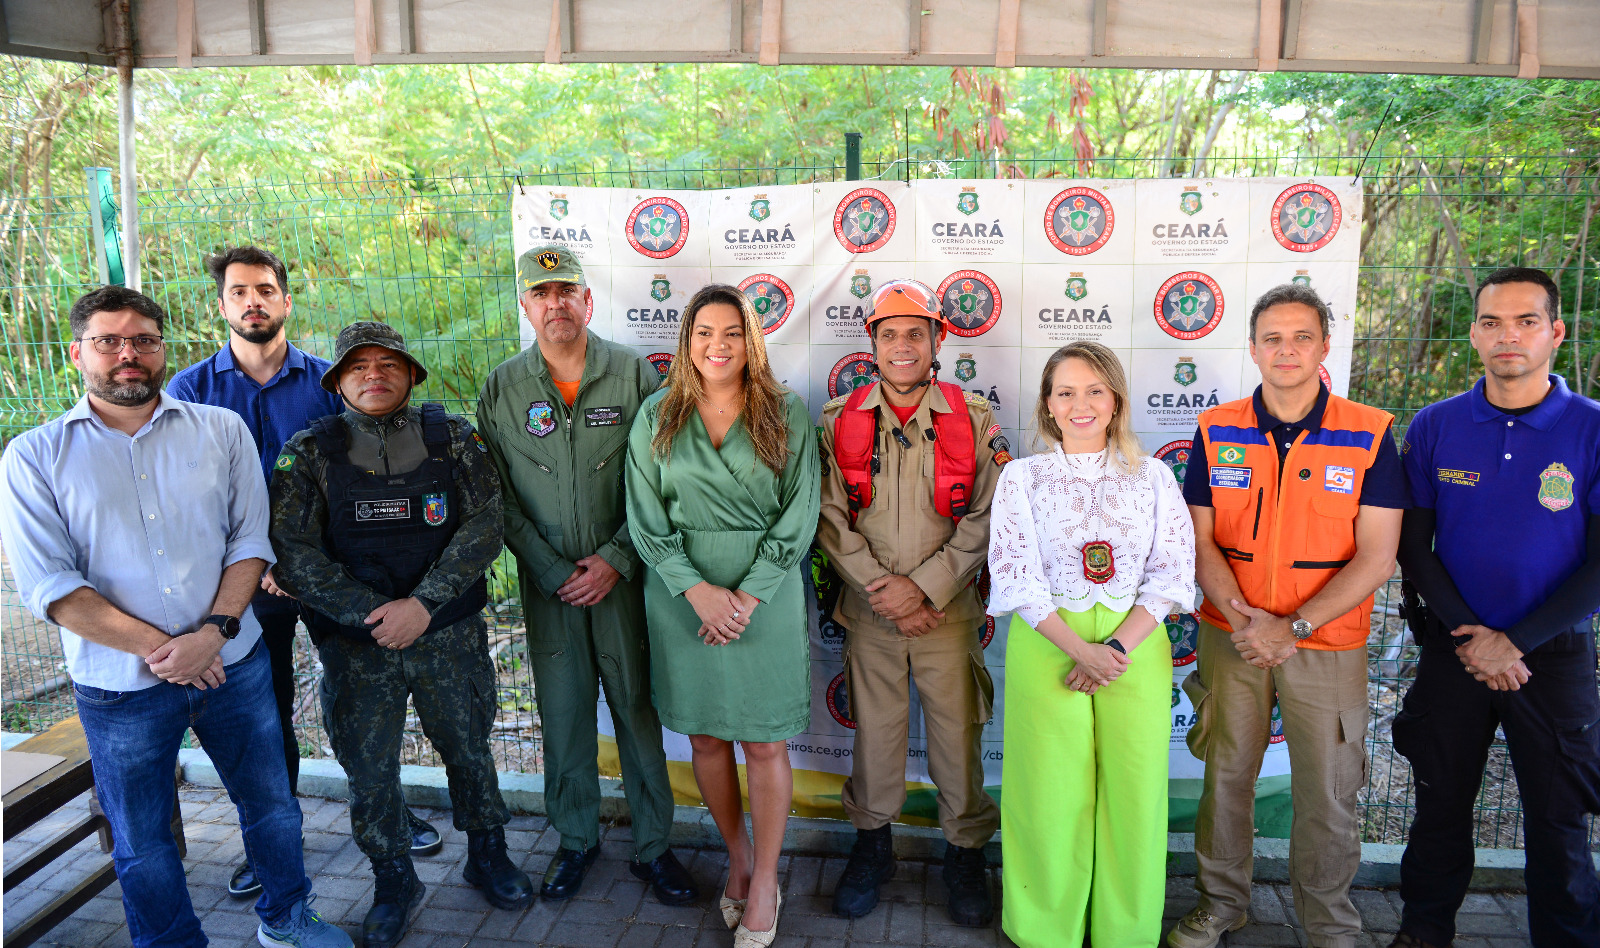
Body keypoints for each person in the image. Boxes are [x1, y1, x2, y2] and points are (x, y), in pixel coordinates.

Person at [0, 286, 351, 948]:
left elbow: (251, 542)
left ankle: (287, 917)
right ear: (78, 353)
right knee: (141, 839)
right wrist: (174, 650)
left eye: (144, 340)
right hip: (120, 686)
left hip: (234, 665)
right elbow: (51, 585)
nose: (128, 354)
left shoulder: (220, 432)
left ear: (165, 350)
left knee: (272, 808)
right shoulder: (34, 458)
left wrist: (212, 634)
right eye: (109, 341)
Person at [168, 245, 441, 900]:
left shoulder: (330, 383)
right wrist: (258, 562)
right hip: (239, 583)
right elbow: (190, 497)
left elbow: (354, 486)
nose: (253, 301)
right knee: (264, 712)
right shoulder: (190, 392)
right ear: (222, 306)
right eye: (239, 292)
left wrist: (300, 563)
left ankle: (388, 810)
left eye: (265, 290)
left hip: (329, 573)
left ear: (286, 301)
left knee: (361, 700)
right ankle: (272, 838)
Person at [268, 322, 532, 948]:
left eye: (389, 363)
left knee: (469, 748)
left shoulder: (455, 440)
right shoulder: (307, 452)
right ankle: (393, 878)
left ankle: (487, 853)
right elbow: (294, 551)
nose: (375, 374)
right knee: (370, 767)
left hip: (448, 635)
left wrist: (423, 604)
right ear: (337, 383)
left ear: (412, 374)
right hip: (359, 648)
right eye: (359, 367)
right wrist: (374, 614)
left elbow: (485, 526)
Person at [1169, 283, 1408, 948]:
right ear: (1252, 348)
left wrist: (1291, 626)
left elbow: (1377, 555)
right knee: (1225, 779)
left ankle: (1329, 924)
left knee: (1330, 794)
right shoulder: (1217, 429)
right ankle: (1221, 905)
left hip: (1327, 641)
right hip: (1233, 638)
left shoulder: (1370, 432)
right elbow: (1201, 539)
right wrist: (1249, 623)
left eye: (1302, 337)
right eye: (1272, 337)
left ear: (1324, 346)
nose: (1286, 350)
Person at [475, 245, 694, 905]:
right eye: (542, 294)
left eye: (567, 290)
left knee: (635, 710)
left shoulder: (632, 375)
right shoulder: (502, 387)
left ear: (588, 300)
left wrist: (618, 559)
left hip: (622, 585)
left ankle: (655, 847)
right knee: (563, 713)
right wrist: (544, 567)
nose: (556, 304)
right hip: (550, 590)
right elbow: (495, 493)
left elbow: (664, 482)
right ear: (526, 306)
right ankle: (575, 840)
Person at [1391, 267, 1600, 948]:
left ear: (1556, 332)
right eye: (1491, 322)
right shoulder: (1437, 426)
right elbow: (1414, 547)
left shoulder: (1591, 429)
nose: (1507, 336)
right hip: (1455, 650)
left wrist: (1515, 641)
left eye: (1526, 321)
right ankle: (1424, 934)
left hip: (1553, 655)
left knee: (1559, 821)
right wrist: (1469, 635)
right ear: (1475, 334)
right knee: (1438, 809)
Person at [625, 284, 820, 948]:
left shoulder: (785, 413)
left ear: (751, 340)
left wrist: (747, 594)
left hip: (764, 598)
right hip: (683, 599)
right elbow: (644, 518)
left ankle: (766, 878)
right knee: (707, 737)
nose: (717, 345)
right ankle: (737, 856)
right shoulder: (657, 414)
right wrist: (697, 591)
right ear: (687, 340)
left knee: (765, 741)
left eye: (731, 332)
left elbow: (800, 515)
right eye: (704, 332)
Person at [987, 341, 1196, 947]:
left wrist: (1115, 652)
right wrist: (1082, 652)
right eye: (1066, 392)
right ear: (1048, 406)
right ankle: (1044, 928)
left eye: (1095, 391)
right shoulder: (1021, 478)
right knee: (1048, 790)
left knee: (1133, 792)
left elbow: (1171, 572)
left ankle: (1124, 933)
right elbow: (1016, 574)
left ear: (1116, 401)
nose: (1081, 404)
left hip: (1135, 647)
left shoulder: (1152, 474)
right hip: (1049, 641)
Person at [814, 278, 1003, 927]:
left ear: (938, 339)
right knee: (877, 738)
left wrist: (925, 589)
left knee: (958, 739)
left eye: (914, 333)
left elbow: (986, 517)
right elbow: (830, 518)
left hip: (946, 617)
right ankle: (873, 849)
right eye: (889, 333)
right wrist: (889, 594)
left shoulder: (971, 417)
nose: (902, 345)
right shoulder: (840, 419)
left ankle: (964, 855)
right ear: (872, 341)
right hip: (871, 613)